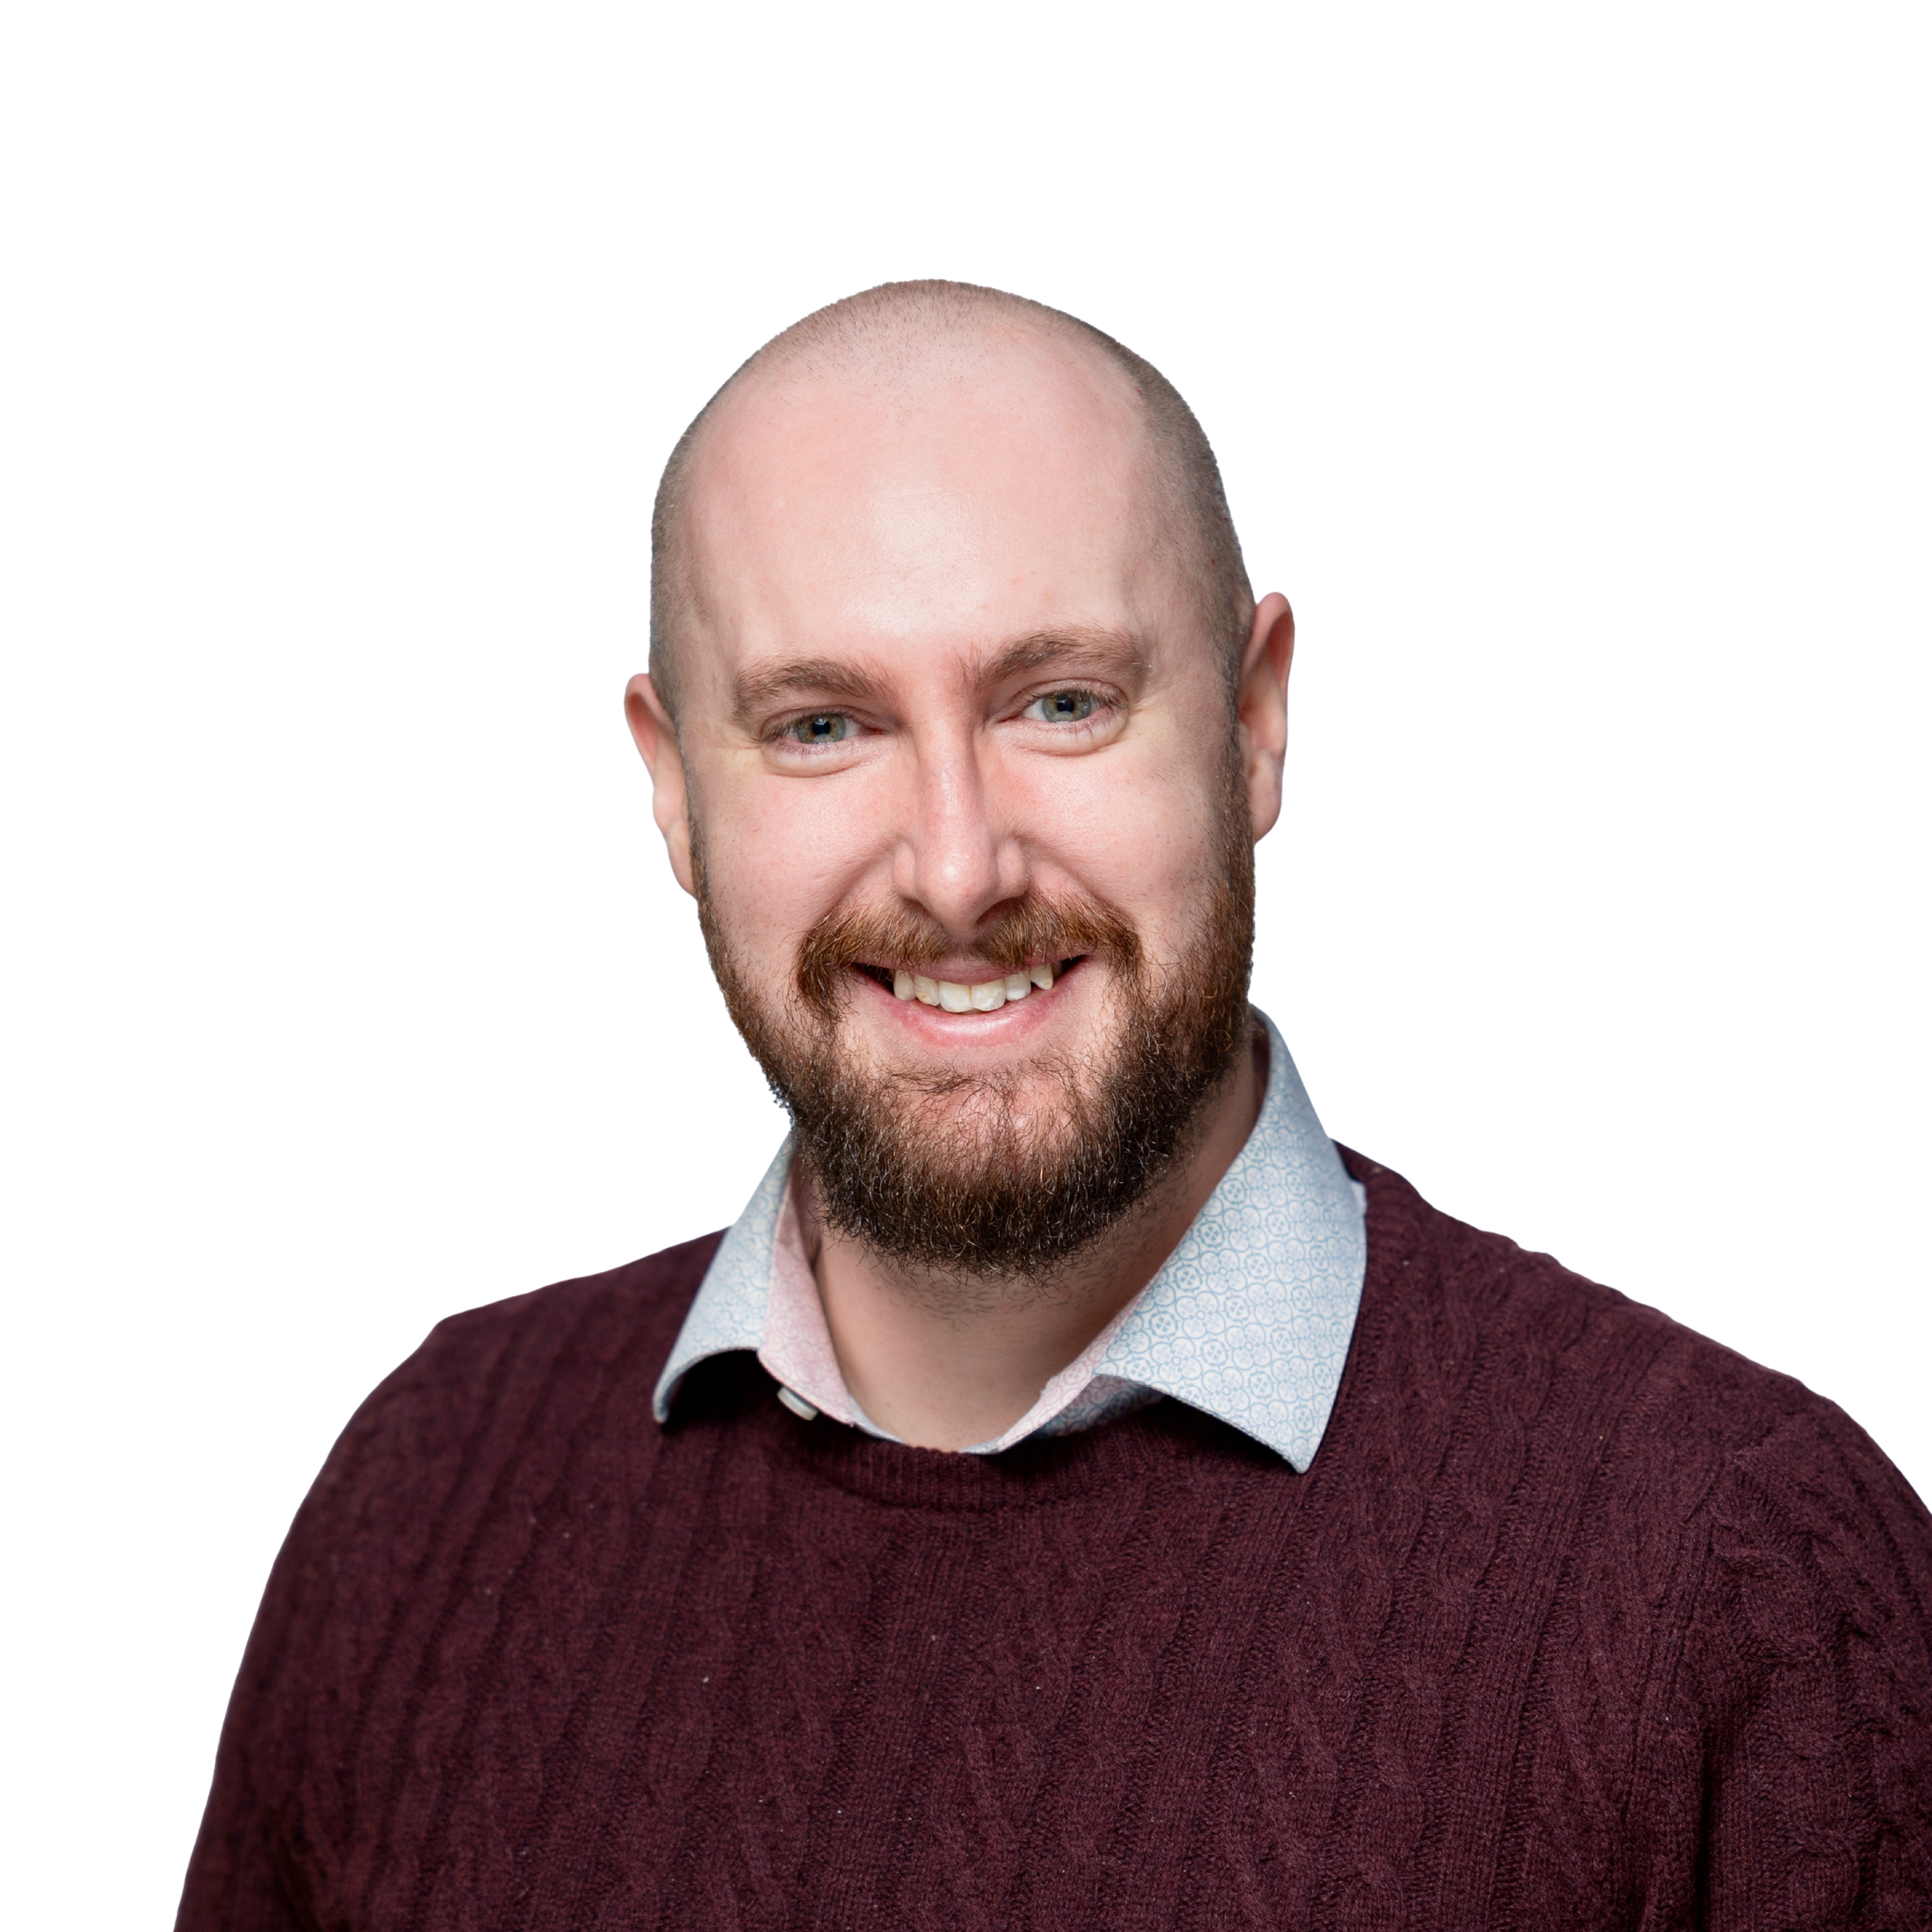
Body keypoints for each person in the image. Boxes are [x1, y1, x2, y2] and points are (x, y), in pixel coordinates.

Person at [179, 281, 1930, 1930]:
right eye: (818, 726)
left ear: (1254, 720)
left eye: (1061, 701)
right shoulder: (426, 1500)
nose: (954, 867)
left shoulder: (1731, 1557)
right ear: (670, 791)